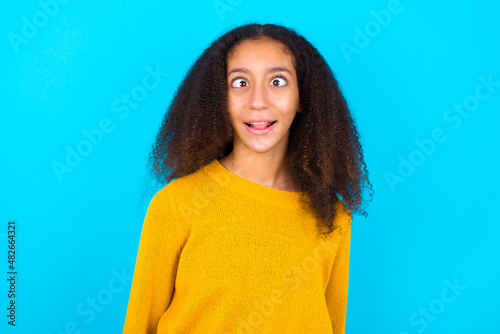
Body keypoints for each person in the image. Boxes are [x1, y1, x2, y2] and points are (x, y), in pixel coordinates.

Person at [123, 23, 373, 334]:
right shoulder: (176, 204)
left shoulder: (332, 214)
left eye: (278, 81)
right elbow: (139, 325)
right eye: (240, 82)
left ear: (302, 98)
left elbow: (334, 325)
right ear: (219, 98)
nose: (258, 101)